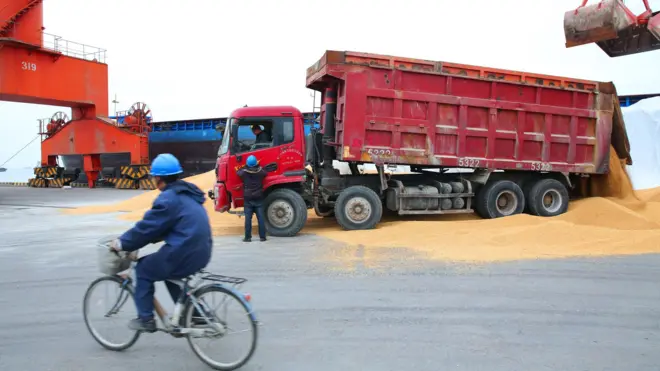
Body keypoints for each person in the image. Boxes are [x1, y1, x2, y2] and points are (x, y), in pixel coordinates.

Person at [109, 153, 213, 332]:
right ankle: (195, 314)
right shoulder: (188, 193)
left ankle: (146, 319)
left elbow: (147, 228)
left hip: (184, 252)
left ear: (158, 178)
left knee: (143, 269)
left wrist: (122, 243)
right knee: (170, 273)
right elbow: (164, 228)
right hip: (203, 250)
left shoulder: (168, 199)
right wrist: (141, 242)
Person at [237, 154, 268, 242]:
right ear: (256, 163)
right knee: (261, 218)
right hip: (259, 198)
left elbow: (238, 172)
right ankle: (262, 237)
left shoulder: (244, 173)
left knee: (248, 219)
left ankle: (247, 237)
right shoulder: (261, 172)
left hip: (248, 199)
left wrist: (244, 167)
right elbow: (266, 172)